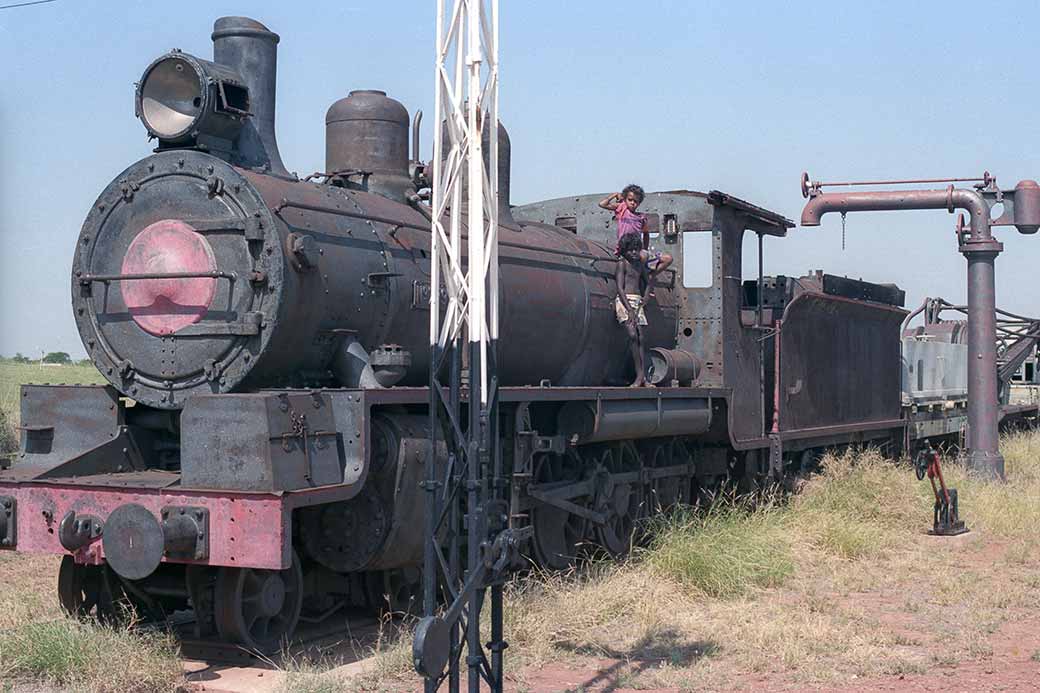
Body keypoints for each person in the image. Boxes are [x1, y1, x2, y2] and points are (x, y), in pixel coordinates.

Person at [598, 184, 673, 280]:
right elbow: (602, 204)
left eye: (636, 201)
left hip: (637, 249)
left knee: (668, 259)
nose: (633, 203)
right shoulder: (622, 209)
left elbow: (646, 234)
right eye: (630, 200)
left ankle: (650, 277)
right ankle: (645, 283)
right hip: (624, 248)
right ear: (625, 199)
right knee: (641, 258)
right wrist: (615, 195)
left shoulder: (641, 217)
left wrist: (645, 249)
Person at [615, 233, 651, 387]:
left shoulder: (639, 265)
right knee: (632, 335)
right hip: (625, 302)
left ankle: (643, 378)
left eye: (636, 249)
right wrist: (629, 309)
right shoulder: (622, 264)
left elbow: (648, 282)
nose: (634, 253)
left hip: (638, 301)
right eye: (630, 250)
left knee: (641, 337)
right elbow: (620, 288)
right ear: (624, 250)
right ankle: (639, 376)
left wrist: (646, 296)